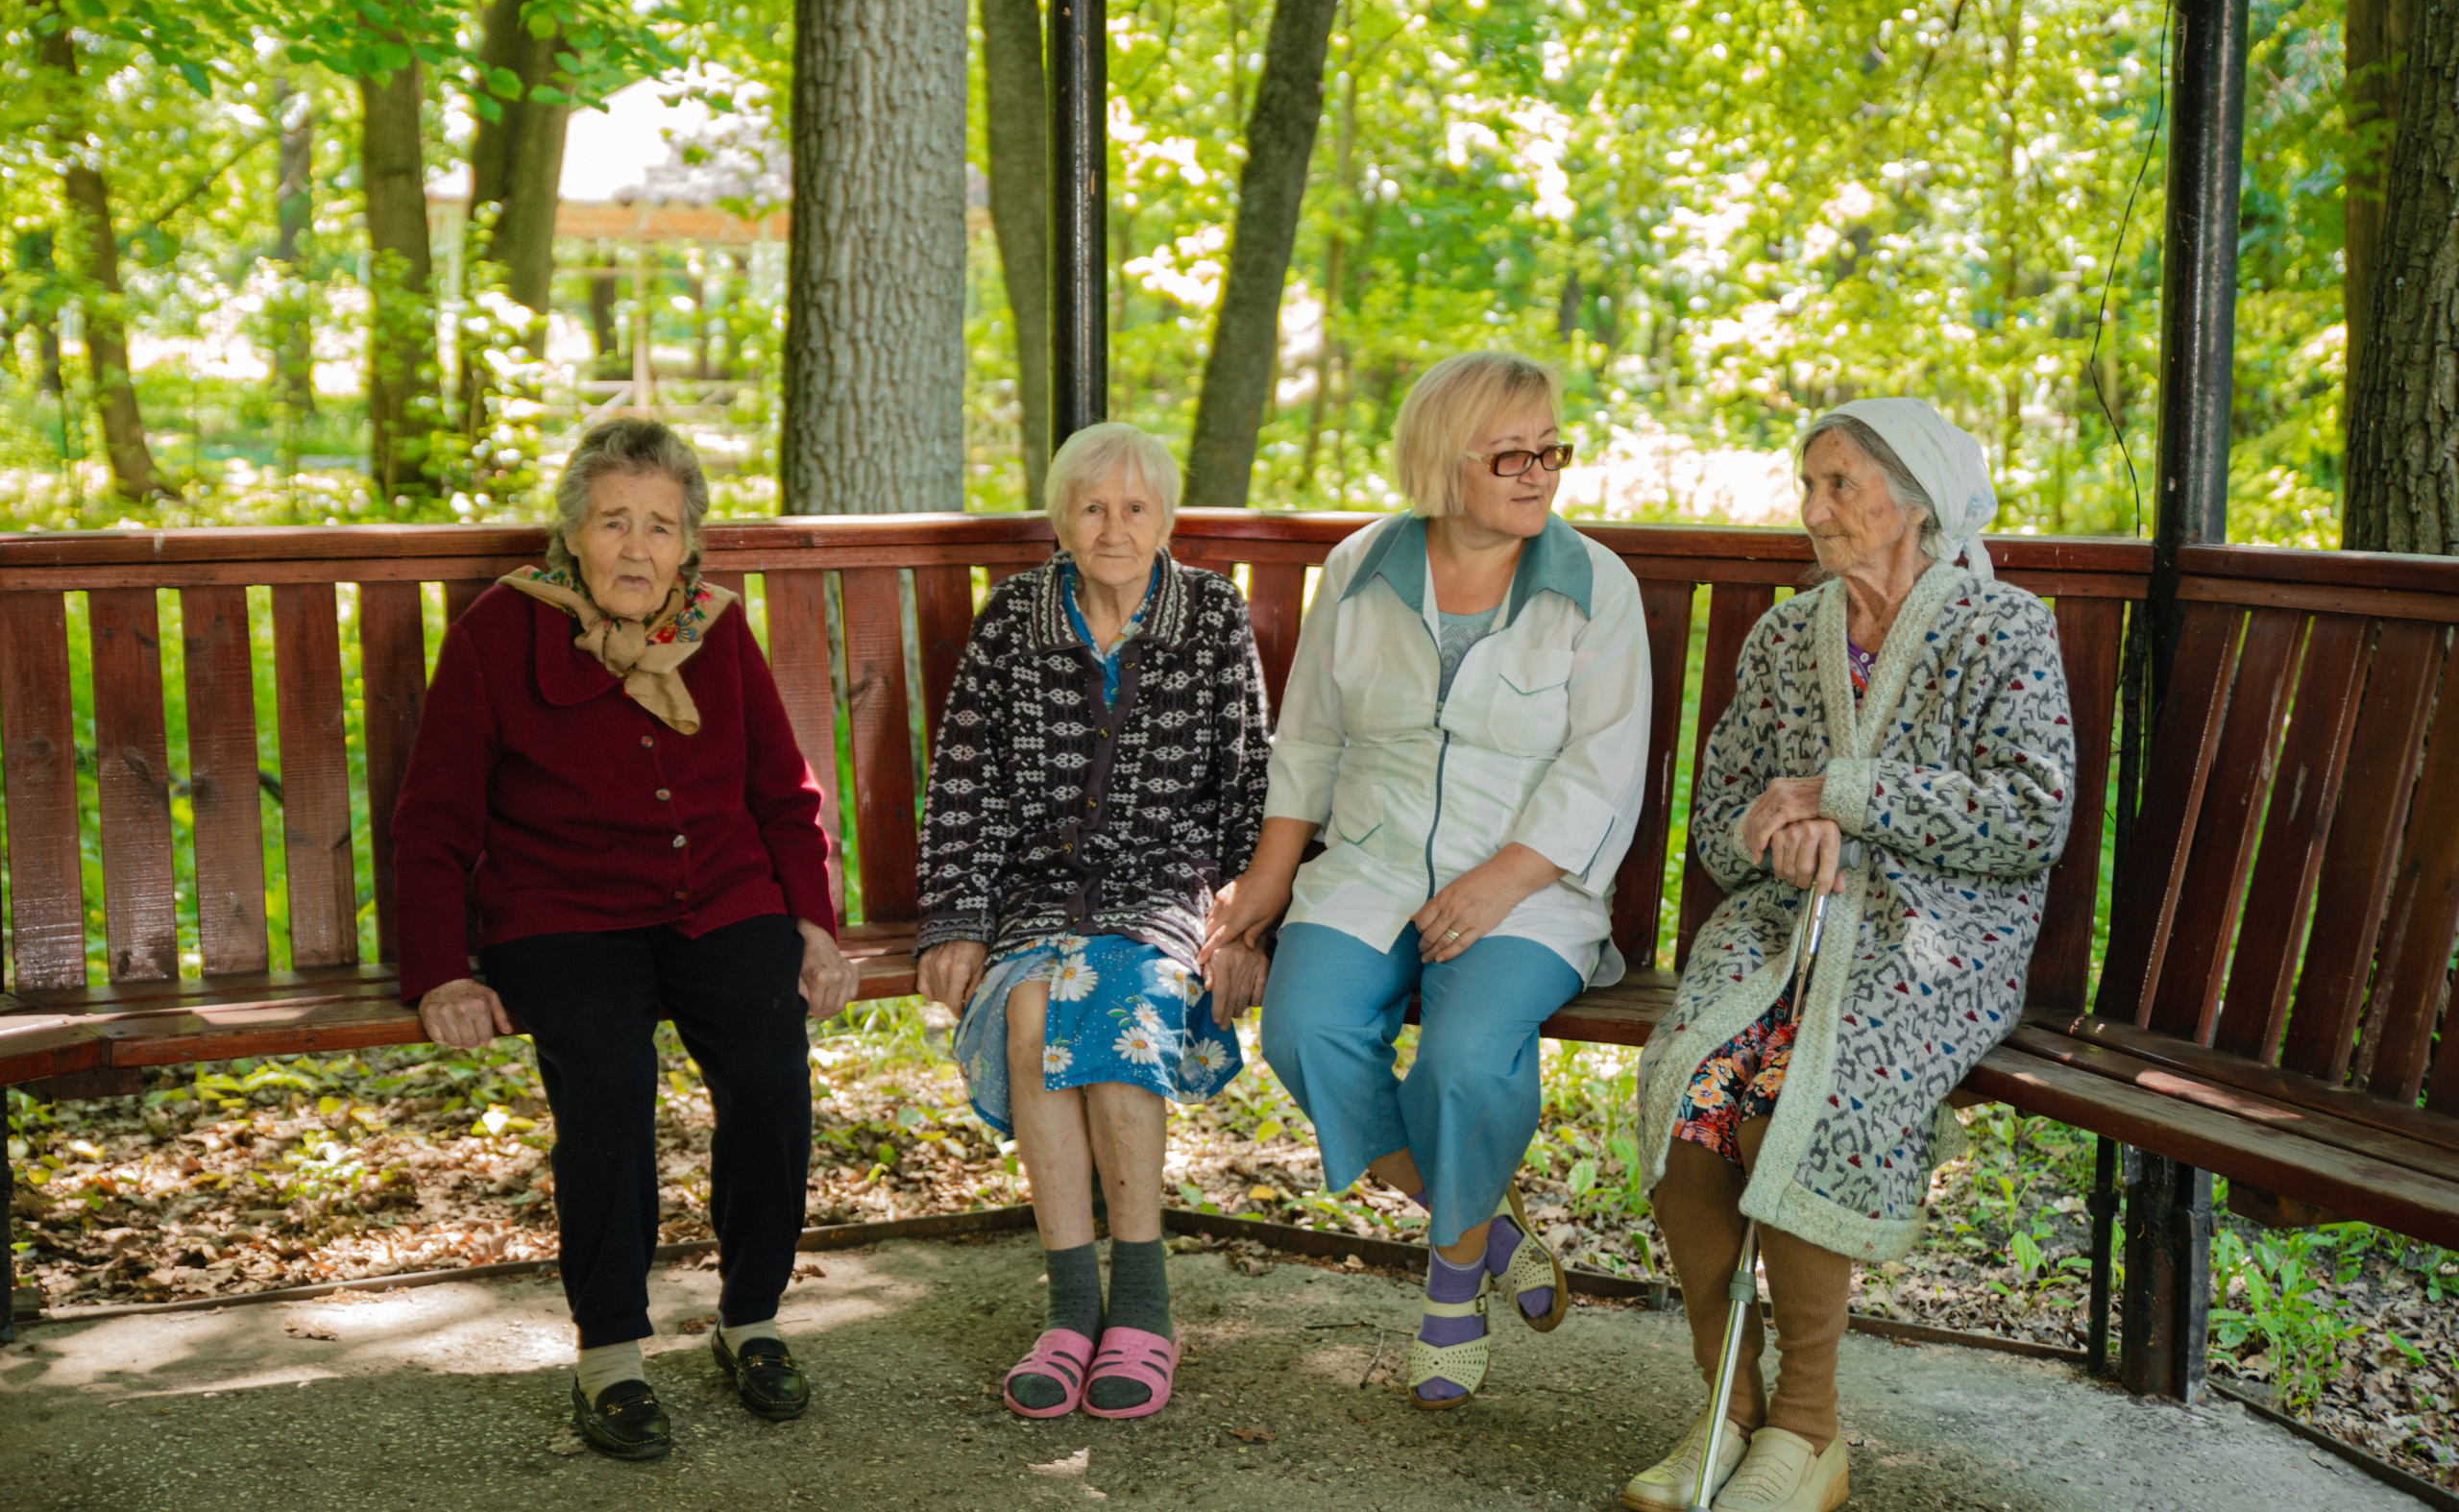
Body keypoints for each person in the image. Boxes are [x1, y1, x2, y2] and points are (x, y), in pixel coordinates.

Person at [1616, 399, 2075, 1512]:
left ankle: (1808, 1433)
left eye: (1839, 485)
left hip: (1933, 940)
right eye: (1808, 484)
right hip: (1783, 925)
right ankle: (1725, 1409)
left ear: (1914, 499)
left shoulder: (2001, 628)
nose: (1812, 508)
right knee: (1692, 1086)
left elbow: (2030, 814)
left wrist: (1850, 795)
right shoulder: (1786, 636)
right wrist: (1782, 825)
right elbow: (1726, 812)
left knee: (1803, 1098)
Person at [393, 416, 855, 1463]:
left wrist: (814, 927)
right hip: (563, 912)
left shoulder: (716, 627)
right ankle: (610, 1352)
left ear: (689, 543)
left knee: (770, 1063)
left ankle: (753, 1318)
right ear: (573, 536)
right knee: (606, 1077)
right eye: (614, 522)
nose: (637, 548)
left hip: (720, 899)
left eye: (661, 525)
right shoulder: (499, 635)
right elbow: (434, 821)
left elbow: (783, 795)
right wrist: (438, 974)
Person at [1204, 350, 1652, 1410]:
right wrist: (1262, 893)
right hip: (1372, 863)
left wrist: (1502, 882)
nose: (1541, 473)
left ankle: (1450, 1284)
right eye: (1513, 454)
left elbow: (1603, 765)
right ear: (1445, 463)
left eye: (1553, 450)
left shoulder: (1594, 586)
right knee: (1304, 1030)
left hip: (1530, 881)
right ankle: (1484, 1230)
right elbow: (1307, 743)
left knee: (1461, 1057)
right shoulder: (1361, 566)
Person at [914, 421, 1273, 1422]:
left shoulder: (1208, 615)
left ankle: (1144, 1309)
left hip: (1162, 887)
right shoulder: (1013, 619)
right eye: (1091, 507)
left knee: (1113, 1004)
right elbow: (963, 783)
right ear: (1060, 520)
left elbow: (1249, 777)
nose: (1113, 528)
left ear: (1165, 518)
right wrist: (955, 916)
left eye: (1135, 508)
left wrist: (1247, 924)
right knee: (1031, 1008)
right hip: (1036, 891)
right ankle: (1074, 1312)